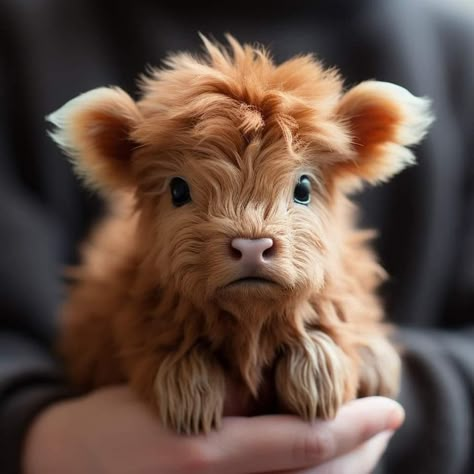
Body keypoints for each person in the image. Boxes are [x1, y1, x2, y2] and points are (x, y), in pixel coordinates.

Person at [0, 0, 473, 472]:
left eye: (301, 189)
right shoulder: (20, 39)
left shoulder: (459, 52)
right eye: (181, 192)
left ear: (367, 140)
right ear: (115, 150)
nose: (252, 235)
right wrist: (32, 433)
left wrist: (390, 399)